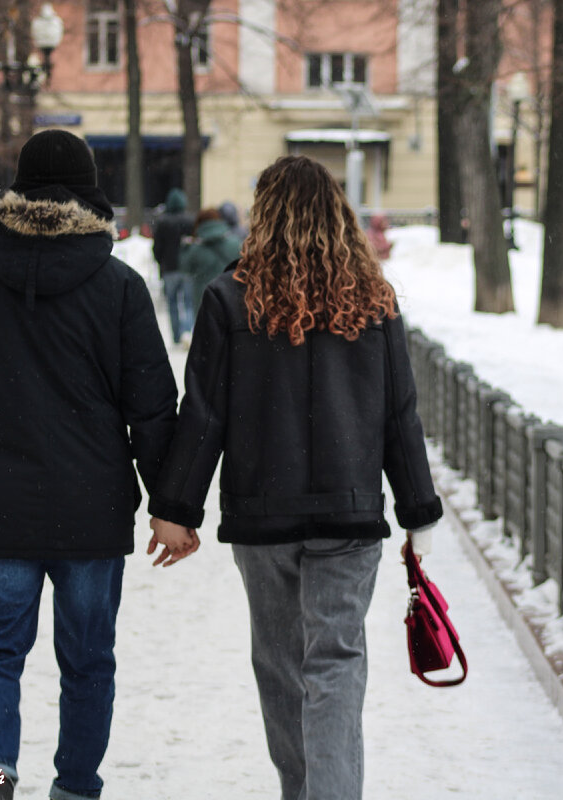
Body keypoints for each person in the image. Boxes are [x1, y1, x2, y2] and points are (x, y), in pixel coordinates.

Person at [0, 129, 197, 800]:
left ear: (17, 188)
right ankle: (74, 789)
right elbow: (153, 407)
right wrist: (171, 506)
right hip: (90, 508)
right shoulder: (119, 285)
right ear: (90, 193)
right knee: (89, 662)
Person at [148, 155, 443, 800]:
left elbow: (204, 413)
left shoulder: (231, 296)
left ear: (264, 215)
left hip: (263, 517)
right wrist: (419, 513)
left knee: (281, 671)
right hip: (349, 513)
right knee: (335, 666)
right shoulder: (373, 298)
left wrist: (176, 509)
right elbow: (400, 413)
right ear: (337, 213)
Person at [152, 188, 196, 345]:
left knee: (172, 304)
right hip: (187, 269)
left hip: (169, 269)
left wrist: (161, 262)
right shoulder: (191, 220)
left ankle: (176, 336)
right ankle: (187, 331)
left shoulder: (162, 222)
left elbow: (157, 248)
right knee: (189, 302)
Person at [180, 207, 242, 317]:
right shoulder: (236, 244)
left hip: (203, 302)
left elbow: (185, 269)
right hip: (231, 301)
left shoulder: (195, 250)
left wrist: (185, 249)